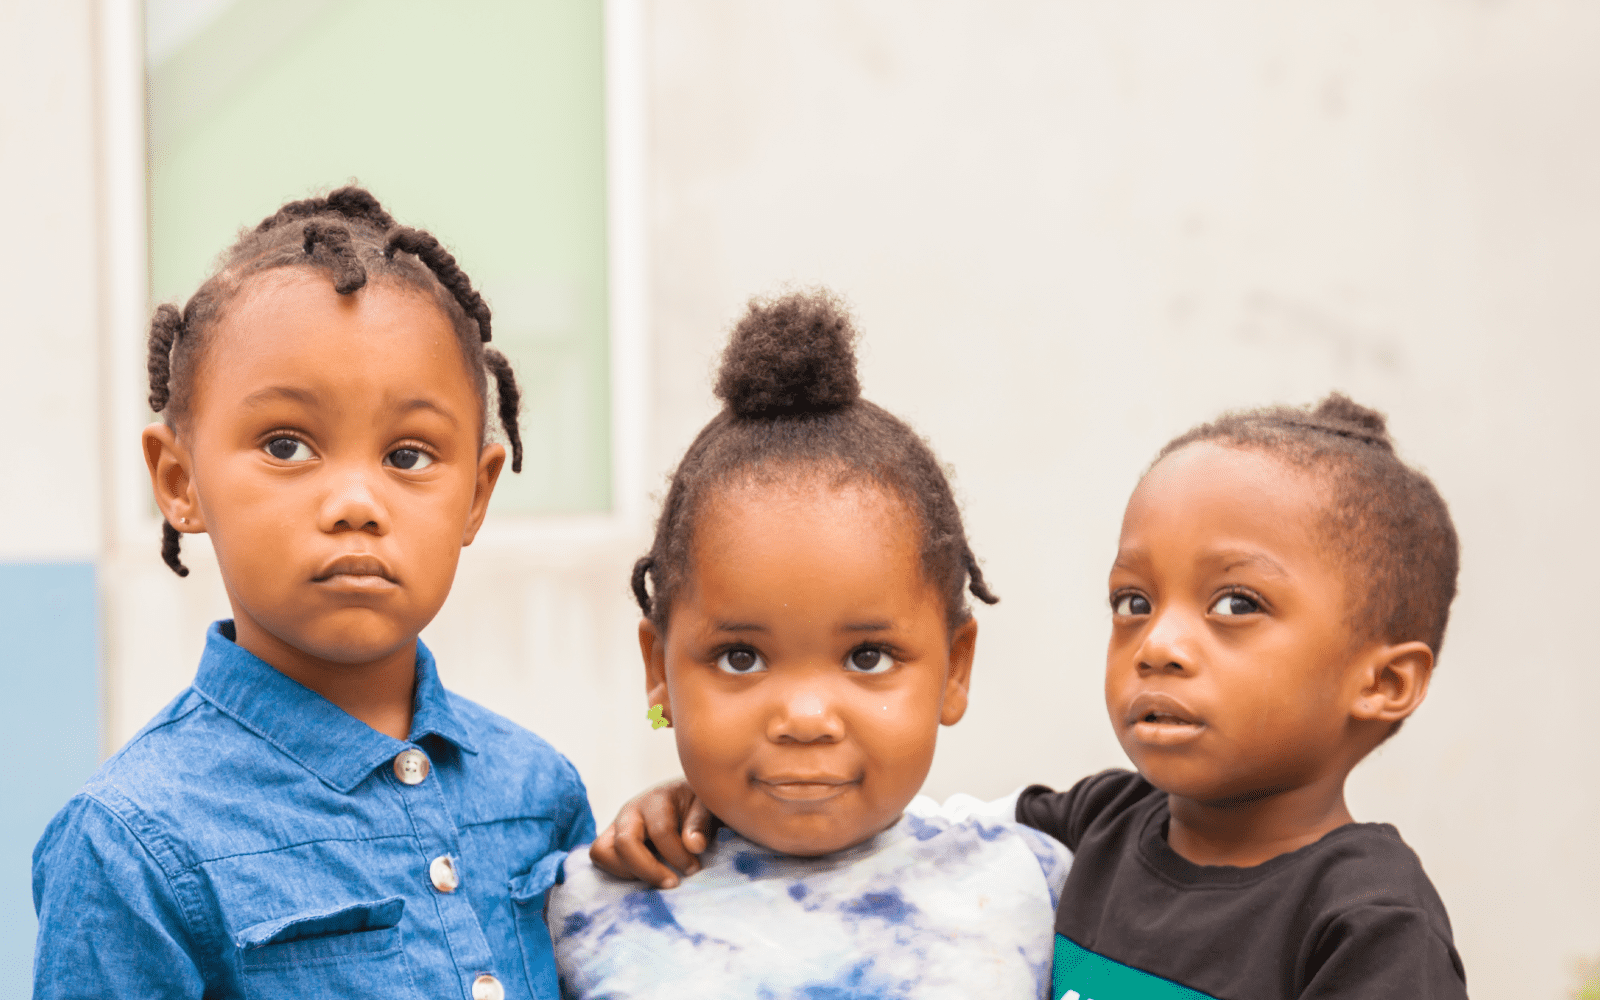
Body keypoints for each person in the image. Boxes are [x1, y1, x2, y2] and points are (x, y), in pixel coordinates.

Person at [599, 394, 1470, 999]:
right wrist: (705, 803)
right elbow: (887, 825)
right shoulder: (1095, 828)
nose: (1159, 645)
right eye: (1134, 603)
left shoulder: (1366, 921)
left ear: (1384, 683)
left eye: (1234, 606)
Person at [32, 187, 593, 1000]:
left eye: (408, 455)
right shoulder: (130, 844)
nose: (356, 502)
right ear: (179, 480)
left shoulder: (540, 792)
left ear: (476, 494)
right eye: (287, 445)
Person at [547, 292, 1071, 999]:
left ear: (956, 669)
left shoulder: (1033, 886)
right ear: (658, 672)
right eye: (741, 658)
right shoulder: (585, 911)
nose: (804, 717)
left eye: (867, 657)